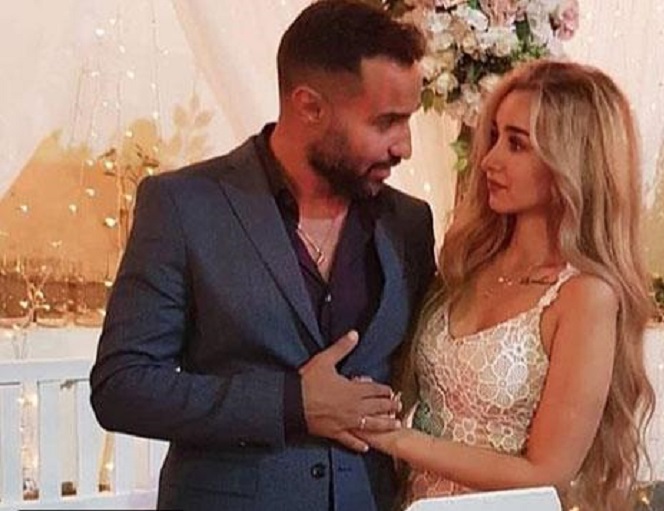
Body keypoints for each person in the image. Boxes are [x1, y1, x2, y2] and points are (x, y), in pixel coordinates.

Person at [89, 1, 435, 510]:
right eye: (386, 122)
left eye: (408, 120)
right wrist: (290, 404)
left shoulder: (409, 222)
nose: (404, 147)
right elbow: (122, 387)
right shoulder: (184, 205)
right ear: (309, 106)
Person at [356, 60, 655, 511]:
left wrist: (398, 440)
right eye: (494, 136)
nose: (489, 159)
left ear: (572, 161)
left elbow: (547, 471)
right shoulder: (469, 260)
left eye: (517, 144)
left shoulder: (585, 296)